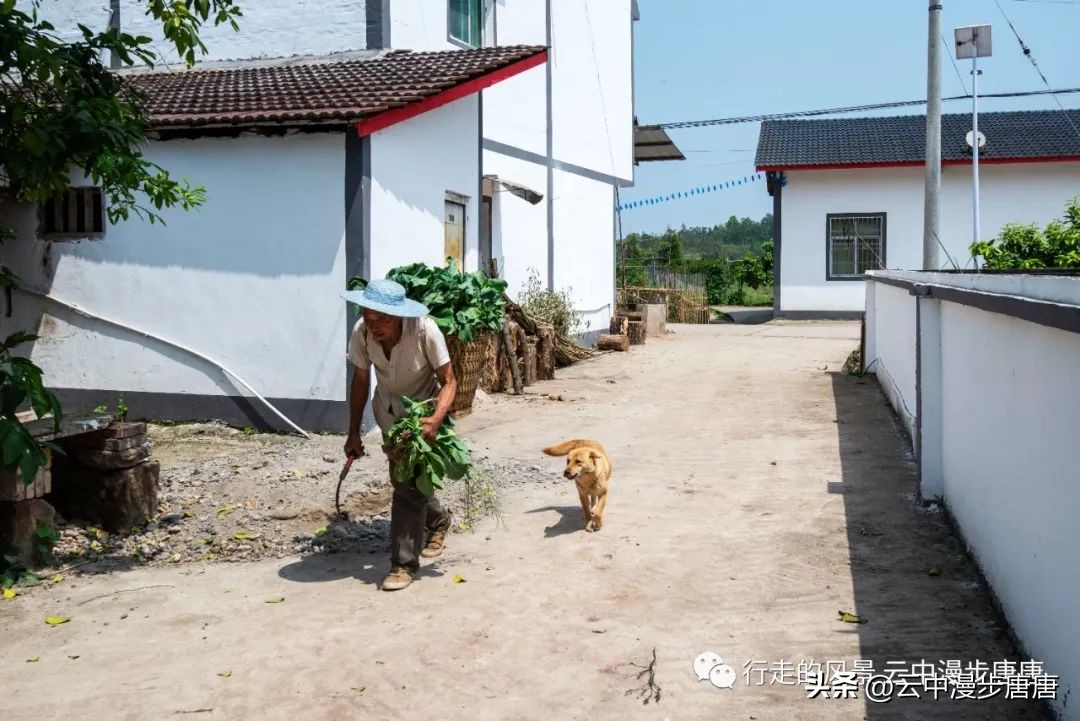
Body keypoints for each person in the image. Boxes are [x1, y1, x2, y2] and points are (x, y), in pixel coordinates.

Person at [341, 278, 458, 591]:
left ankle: (403, 563)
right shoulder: (361, 333)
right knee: (404, 479)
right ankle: (438, 520)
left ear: (400, 316)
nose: (375, 325)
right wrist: (353, 432)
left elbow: (449, 381)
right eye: (369, 316)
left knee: (406, 489)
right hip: (390, 415)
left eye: (383, 319)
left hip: (424, 417)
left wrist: (435, 420)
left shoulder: (424, 331)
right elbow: (361, 381)